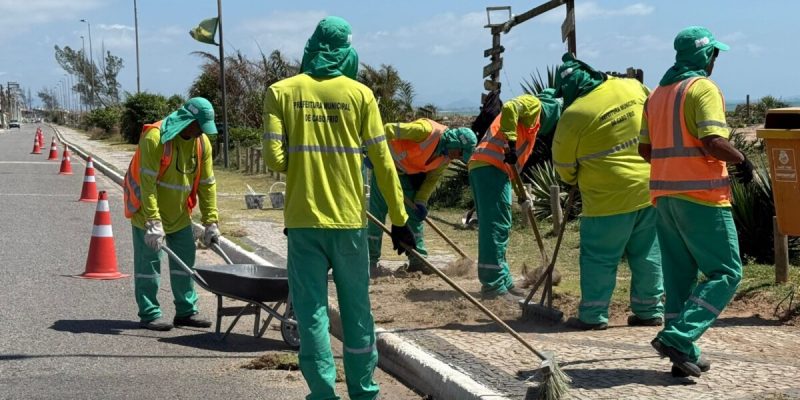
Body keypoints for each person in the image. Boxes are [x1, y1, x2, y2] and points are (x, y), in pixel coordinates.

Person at [262, 16, 416, 400]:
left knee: (312, 311)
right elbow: (382, 162)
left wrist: (303, 157)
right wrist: (399, 220)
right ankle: (363, 390)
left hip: (303, 222)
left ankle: (322, 393)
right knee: (357, 310)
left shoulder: (280, 92)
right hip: (349, 222)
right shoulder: (361, 95)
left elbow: (274, 158)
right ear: (347, 49)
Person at [639, 26, 753, 378]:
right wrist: (744, 161)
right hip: (702, 197)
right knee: (726, 272)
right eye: (714, 54)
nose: (715, 60)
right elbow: (713, 141)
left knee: (679, 279)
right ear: (706, 56)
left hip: (664, 197)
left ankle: (683, 352)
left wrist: (672, 169)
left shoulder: (657, 94)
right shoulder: (701, 88)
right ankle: (678, 336)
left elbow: (645, 149)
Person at [551, 53, 664, 331]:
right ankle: (649, 311)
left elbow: (564, 167)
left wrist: (574, 177)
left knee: (600, 257)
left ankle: (593, 316)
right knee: (648, 253)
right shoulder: (631, 86)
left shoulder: (574, 114)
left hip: (606, 199)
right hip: (649, 187)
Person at [122, 97, 220, 331]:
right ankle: (150, 313)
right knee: (149, 265)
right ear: (188, 121)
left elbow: (207, 183)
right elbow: (148, 184)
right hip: (147, 212)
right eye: (198, 127)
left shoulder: (202, 143)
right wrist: (153, 222)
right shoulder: (156, 138)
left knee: (185, 263)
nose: (200, 133)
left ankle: (186, 311)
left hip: (179, 215)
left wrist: (211, 221)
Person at [467, 90, 562, 301]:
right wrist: (510, 143)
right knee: (496, 227)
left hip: (489, 168)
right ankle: (492, 285)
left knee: (500, 225)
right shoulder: (534, 105)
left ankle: (503, 280)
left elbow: (513, 166)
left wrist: (520, 194)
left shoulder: (531, 126)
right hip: (490, 167)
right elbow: (509, 107)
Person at [367, 119, 476, 275]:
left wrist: (421, 201)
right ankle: (370, 261)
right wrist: (374, 153)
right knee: (377, 215)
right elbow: (387, 129)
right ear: (454, 142)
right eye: (459, 153)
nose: (457, 157)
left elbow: (431, 180)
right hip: (384, 169)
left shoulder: (445, 158)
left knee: (414, 219)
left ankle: (418, 261)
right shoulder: (425, 131)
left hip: (406, 176)